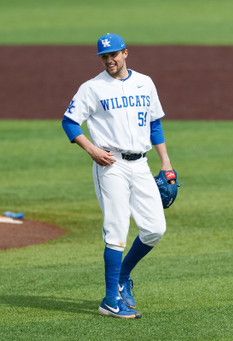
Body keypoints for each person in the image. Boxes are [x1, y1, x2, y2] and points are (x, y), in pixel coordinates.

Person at [62, 33, 174, 319]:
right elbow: (70, 122)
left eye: (114, 54)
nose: (109, 60)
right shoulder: (92, 88)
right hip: (110, 165)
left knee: (154, 229)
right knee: (117, 230)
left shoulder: (145, 82)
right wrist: (91, 150)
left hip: (141, 165)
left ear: (125, 53)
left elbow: (155, 124)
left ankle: (123, 277)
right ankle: (111, 301)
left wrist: (166, 163)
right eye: (104, 56)